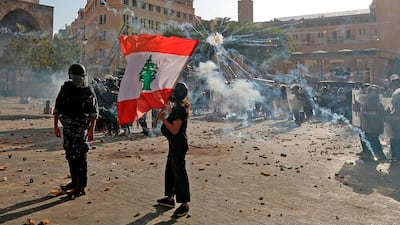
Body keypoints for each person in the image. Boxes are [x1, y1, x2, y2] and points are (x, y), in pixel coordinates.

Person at [53, 63, 98, 198]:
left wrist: (91, 130)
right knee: (70, 155)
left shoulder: (88, 91)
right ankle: (74, 182)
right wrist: (55, 126)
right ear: (71, 77)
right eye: (75, 77)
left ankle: (81, 186)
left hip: (80, 130)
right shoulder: (65, 89)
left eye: (80, 77)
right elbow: (57, 108)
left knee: (80, 157)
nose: (78, 80)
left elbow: (93, 113)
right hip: (67, 129)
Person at [156, 82, 191, 217]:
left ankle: (184, 204)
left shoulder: (180, 109)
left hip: (178, 145)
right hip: (174, 144)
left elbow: (175, 130)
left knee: (179, 173)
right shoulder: (177, 107)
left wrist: (162, 119)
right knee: (170, 170)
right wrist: (169, 112)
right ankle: (170, 198)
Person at [358, 85, 386, 161]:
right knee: (369, 140)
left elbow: (381, 115)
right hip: (368, 125)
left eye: (375, 92)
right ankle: (370, 155)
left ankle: (380, 155)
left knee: (374, 141)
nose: (373, 94)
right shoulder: (366, 102)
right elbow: (363, 113)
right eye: (371, 92)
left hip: (375, 126)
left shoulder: (378, 103)